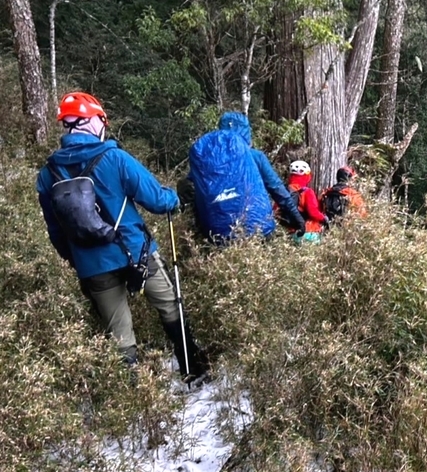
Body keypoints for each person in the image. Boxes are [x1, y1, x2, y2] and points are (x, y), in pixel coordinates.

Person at [36, 92, 211, 386]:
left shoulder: (47, 174)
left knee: (119, 333)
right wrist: (174, 198)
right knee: (169, 304)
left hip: (92, 264)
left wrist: (77, 258)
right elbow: (156, 200)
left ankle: (135, 401)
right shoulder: (114, 158)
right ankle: (193, 371)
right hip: (135, 252)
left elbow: (56, 231)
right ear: (93, 122)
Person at [183, 111, 306, 241]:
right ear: (246, 132)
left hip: (216, 234)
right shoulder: (255, 156)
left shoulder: (208, 162)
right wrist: (297, 218)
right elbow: (277, 189)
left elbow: (187, 186)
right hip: (259, 229)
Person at [277, 160, 328, 242]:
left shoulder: (283, 192)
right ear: (307, 175)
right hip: (307, 232)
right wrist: (324, 218)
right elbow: (313, 212)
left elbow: (275, 212)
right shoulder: (307, 192)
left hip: (286, 234)